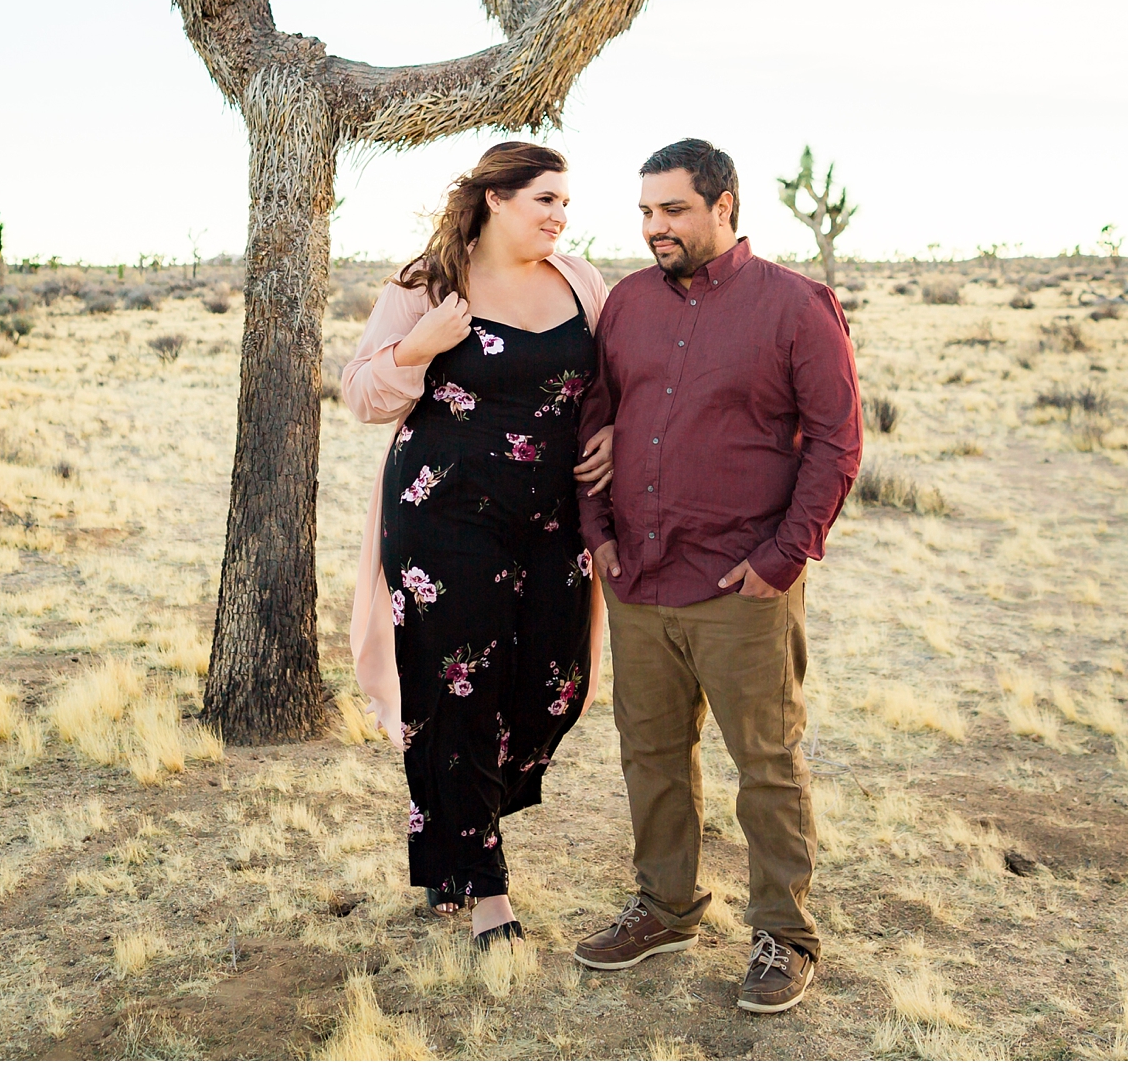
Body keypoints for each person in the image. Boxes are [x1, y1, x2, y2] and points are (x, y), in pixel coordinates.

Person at [570, 138, 861, 1015]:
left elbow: (838, 443)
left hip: (742, 586)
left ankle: (785, 933)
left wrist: (782, 558)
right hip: (640, 577)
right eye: (647, 211)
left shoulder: (796, 307)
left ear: (724, 207)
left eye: (674, 210)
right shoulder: (625, 304)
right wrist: (598, 533)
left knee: (766, 763)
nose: (655, 227)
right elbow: (598, 423)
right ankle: (666, 906)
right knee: (648, 753)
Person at [341, 141, 616, 949]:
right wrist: (419, 344)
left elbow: (608, 387)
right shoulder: (427, 282)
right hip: (443, 516)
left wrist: (612, 437)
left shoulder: (581, 282)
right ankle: (483, 885)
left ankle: (457, 838)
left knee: (553, 687)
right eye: (546, 202)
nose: (561, 218)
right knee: (455, 689)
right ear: (496, 199)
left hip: (553, 520)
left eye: (566, 203)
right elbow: (360, 390)